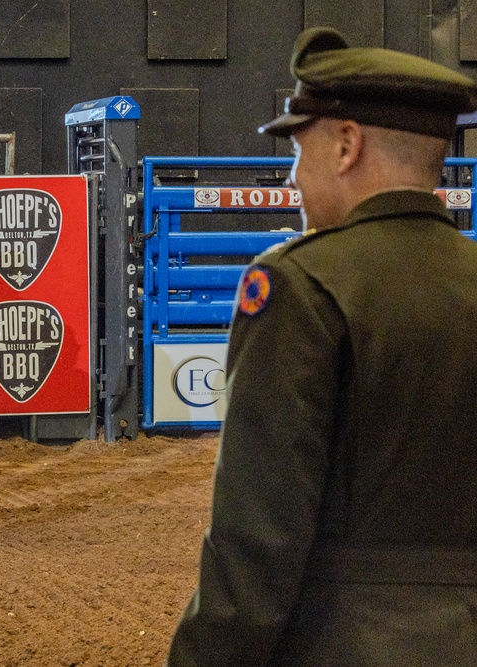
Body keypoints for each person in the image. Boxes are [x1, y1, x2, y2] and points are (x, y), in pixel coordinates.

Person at [165, 27, 477, 666]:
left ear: (345, 144)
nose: (294, 177)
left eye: (298, 151)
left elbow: (255, 542)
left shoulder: (302, 285)